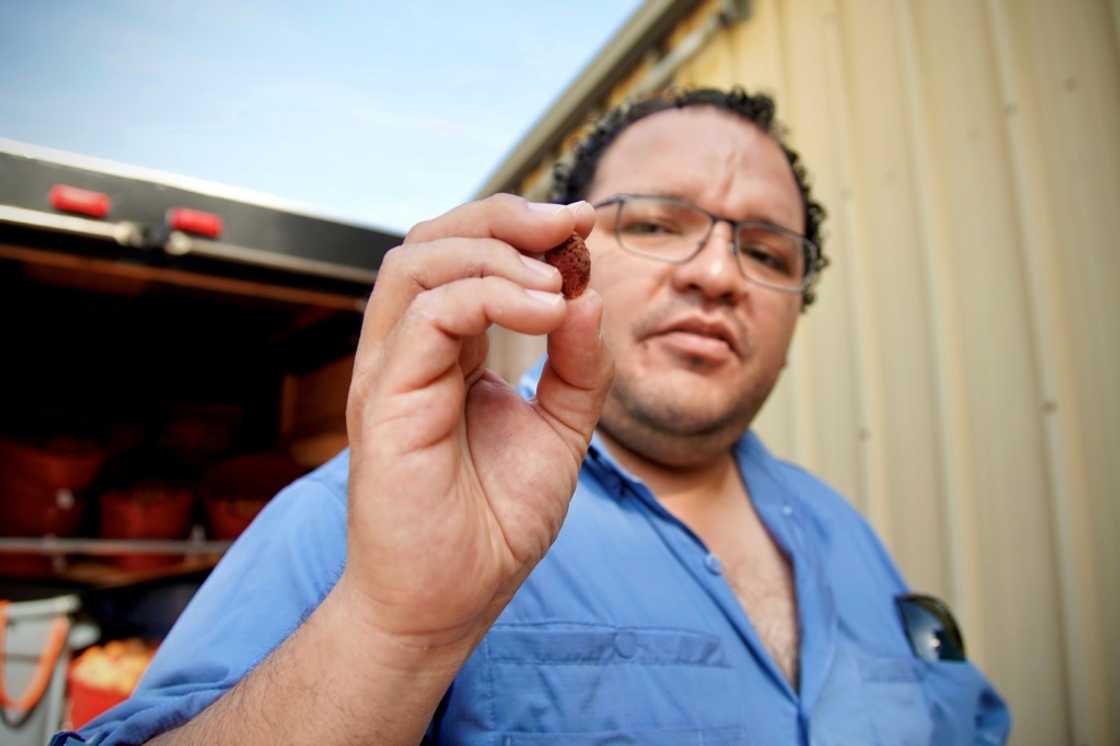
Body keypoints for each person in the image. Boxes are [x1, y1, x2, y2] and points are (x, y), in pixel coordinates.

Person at [55, 88, 1010, 745]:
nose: (719, 274)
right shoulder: (365, 517)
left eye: (767, 252)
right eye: (656, 222)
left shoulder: (848, 541)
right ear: (564, 253)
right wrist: (391, 631)